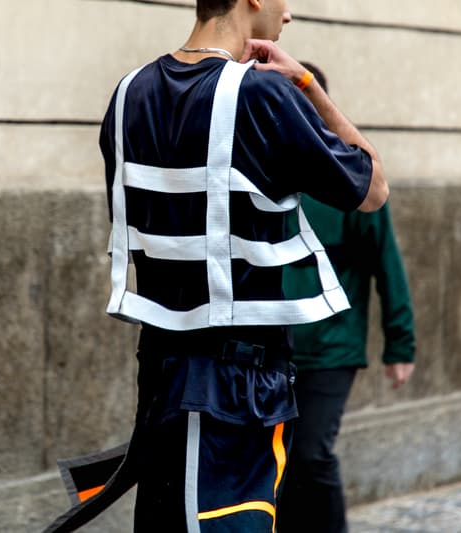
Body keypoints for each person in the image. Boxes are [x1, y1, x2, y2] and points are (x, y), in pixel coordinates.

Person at [44, 1, 387, 531]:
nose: (289, 13)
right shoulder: (264, 93)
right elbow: (372, 188)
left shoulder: (128, 93)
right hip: (239, 386)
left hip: (161, 375)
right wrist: (306, 85)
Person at [277, 63, 416, 533]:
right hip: (270, 347)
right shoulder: (260, 173)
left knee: (311, 454)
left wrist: (401, 346)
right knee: (278, 462)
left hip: (331, 349)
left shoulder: (349, 178)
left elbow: (386, 264)